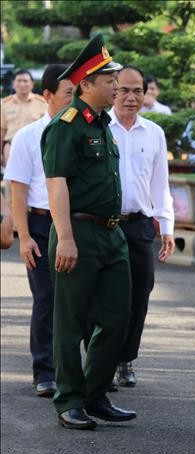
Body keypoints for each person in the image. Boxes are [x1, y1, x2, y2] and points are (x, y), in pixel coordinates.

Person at [41, 33, 135, 430]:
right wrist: (64, 237)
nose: (117, 85)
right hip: (77, 232)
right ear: (86, 85)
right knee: (71, 321)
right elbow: (56, 184)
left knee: (117, 318)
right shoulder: (68, 125)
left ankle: (95, 394)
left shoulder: (102, 125)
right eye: (110, 79)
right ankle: (70, 400)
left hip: (113, 235)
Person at [4, 63, 73, 397]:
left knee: (76, 301)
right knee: (46, 298)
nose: (74, 101)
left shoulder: (81, 134)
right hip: (41, 224)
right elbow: (16, 189)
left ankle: (73, 371)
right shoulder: (28, 136)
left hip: (76, 225)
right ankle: (44, 371)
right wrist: (24, 236)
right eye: (69, 94)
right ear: (48, 96)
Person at [108, 65, 175, 387]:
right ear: (112, 90)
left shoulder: (154, 133)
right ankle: (100, 362)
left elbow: (160, 183)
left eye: (138, 90)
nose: (131, 97)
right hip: (103, 225)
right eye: (124, 90)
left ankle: (126, 359)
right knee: (102, 296)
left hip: (139, 226)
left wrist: (167, 225)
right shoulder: (98, 128)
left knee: (139, 294)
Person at [1, 70, 47, 170]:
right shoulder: (5, 104)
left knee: (35, 182)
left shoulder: (42, 103)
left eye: (25, 81)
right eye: (19, 81)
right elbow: (2, 130)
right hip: (11, 148)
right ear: (13, 84)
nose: (22, 84)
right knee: (12, 182)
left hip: (35, 148)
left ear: (32, 84)